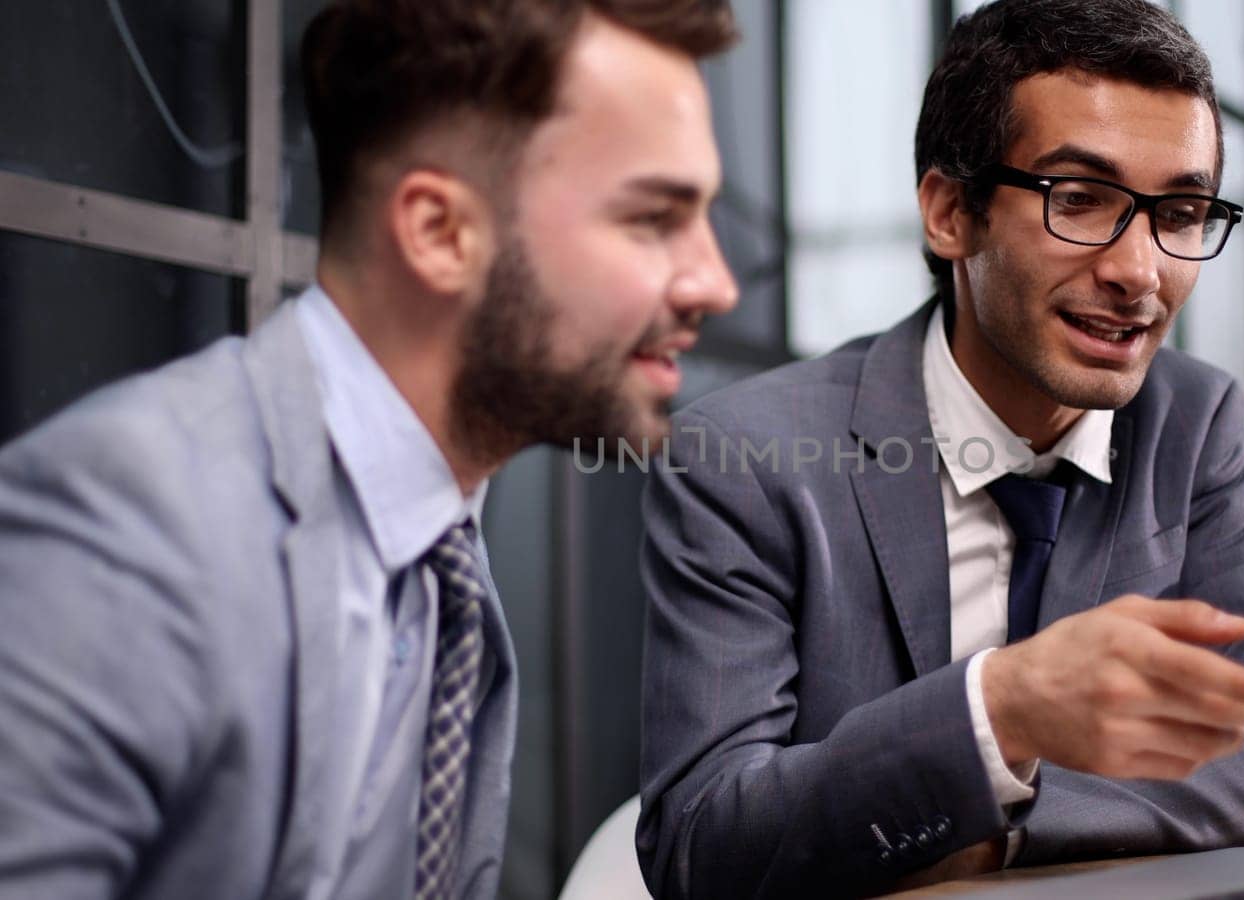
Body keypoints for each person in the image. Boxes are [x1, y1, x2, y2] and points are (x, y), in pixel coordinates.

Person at [0, 1, 737, 898]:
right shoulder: (127, 526)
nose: (718, 284)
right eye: (654, 217)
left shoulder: (441, 549)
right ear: (437, 232)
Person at [635, 1, 1244, 896]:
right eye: (1080, 199)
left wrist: (1001, 831)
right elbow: (701, 841)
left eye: (1183, 212)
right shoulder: (749, 456)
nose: (1140, 270)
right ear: (949, 213)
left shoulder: (1192, 424)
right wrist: (998, 711)